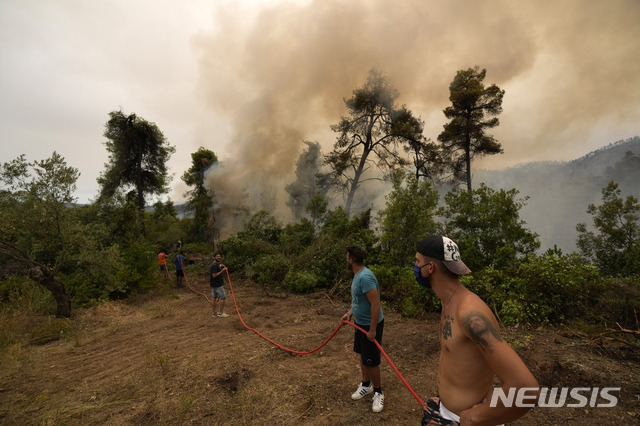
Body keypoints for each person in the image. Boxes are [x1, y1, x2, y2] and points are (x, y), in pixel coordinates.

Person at [414, 236, 538, 426]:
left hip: (465, 420)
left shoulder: (470, 314)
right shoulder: (448, 301)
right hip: (446, 412)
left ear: (430, 268)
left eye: (417, 261)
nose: (415, 266)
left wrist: (476, 417)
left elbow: (526, 389)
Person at [341, 246, 385, 413]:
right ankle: (366, 385)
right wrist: (349, 313)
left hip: (370, 325)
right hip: (360, 323)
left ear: (351, 259)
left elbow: (375, 303)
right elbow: (359, 301)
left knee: (371, 360)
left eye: (347, 257)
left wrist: (372, 329)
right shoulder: (357, 275)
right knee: (363, 355)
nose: (346, 259)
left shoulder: (365, 277)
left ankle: (378, 392)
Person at [209, 253, 229, 318]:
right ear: (214, 257)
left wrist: (220, 266)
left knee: (213, 297)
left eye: (219, 256)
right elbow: (214, 275)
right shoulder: (214, 265)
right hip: (218, 285)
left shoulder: (216, 264)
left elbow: (217, 268)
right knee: (223, 297)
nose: (219, 257)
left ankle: (214, 313)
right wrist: (222, 270)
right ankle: (221, 313)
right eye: (217, 256)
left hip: (214, 284)